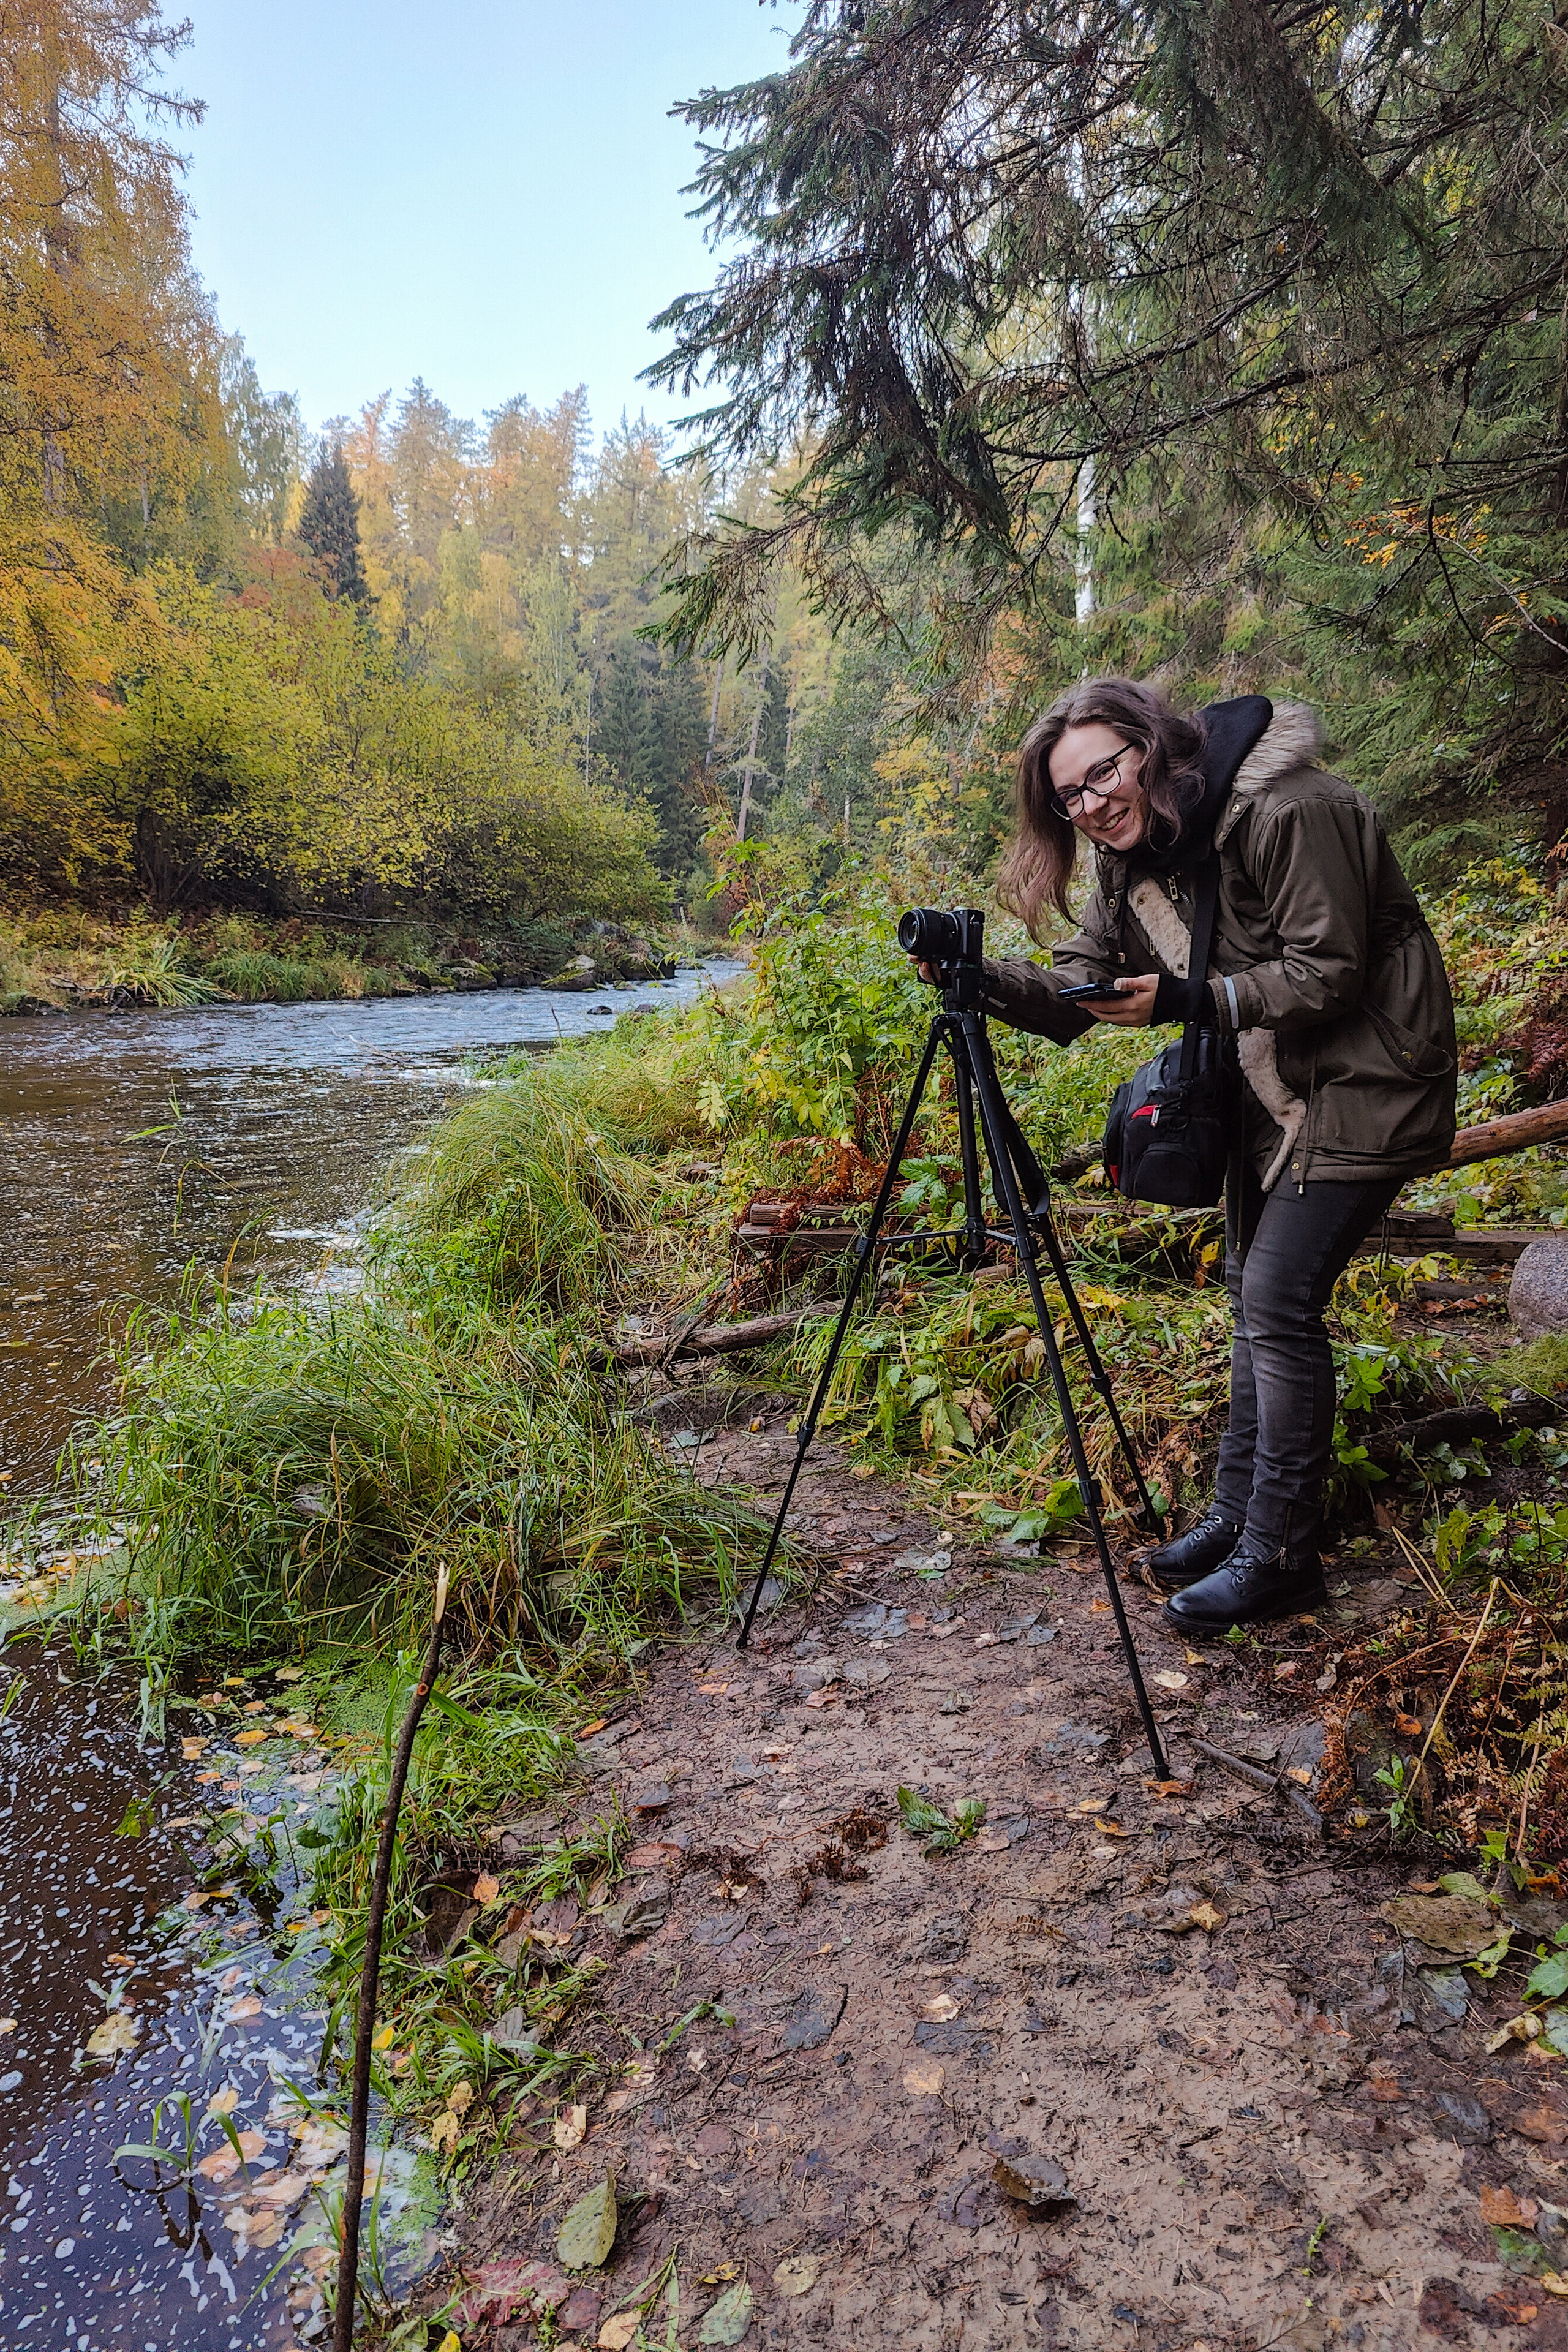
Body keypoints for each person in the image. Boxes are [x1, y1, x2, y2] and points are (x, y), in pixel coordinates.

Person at [918, 679, 1456, 1629]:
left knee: (1277, 1298)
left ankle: (1281, 1553)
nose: (1091, 806)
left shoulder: (1293, 808)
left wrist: (1190, 1003)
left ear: (1154, 746)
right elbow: (1079, 987)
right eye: (1069, 798)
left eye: (1102, 775)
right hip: (1273, 1087)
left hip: (1372, 1076)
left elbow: (1329, 972)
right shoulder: (1135, 856)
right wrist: (979, 978)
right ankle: (1237, 1522)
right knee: (1255, 1287)